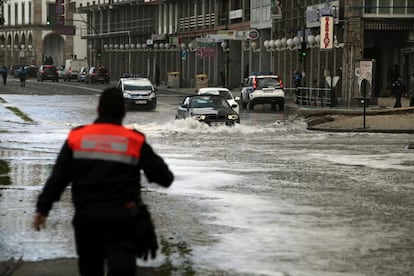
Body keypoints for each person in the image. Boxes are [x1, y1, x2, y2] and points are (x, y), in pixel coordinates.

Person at [33, 87, 174, 276]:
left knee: (90, 269)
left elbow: (58, 178)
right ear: (124, 111)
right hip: (123, 219)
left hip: (87, 218)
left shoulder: (78, 137)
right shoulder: (134, 141)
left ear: (98, 110)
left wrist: (43, 209)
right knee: (122, 269)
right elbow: (165, 178)